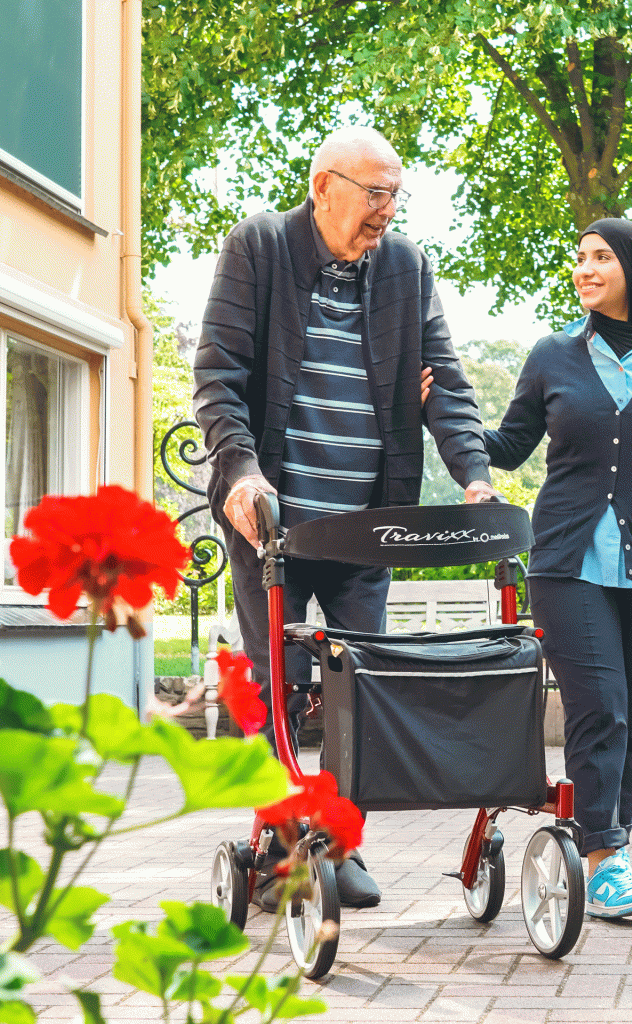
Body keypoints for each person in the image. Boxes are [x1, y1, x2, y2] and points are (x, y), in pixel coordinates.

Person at [194, 125, 496, 910]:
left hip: (367, 525)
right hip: (276, 529)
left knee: (363, 688)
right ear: (323, 186)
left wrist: (474, 476)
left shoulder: (406, 267)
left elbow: (448, 385)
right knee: (282, 685)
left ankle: (342, 843)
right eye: (375, 193)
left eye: (397, 194)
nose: (388, 210)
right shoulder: (259, 248)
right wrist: (240, 470)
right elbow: (218, 377)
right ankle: (286, 847)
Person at [473, 218, 632, 919]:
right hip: (567, 564)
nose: (584, 269)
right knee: (601, 710)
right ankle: (606, 859)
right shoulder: (554, 355)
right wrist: (445, 408)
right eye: (579, 258)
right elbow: (510, 443)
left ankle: (605, 846)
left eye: (600, 258)